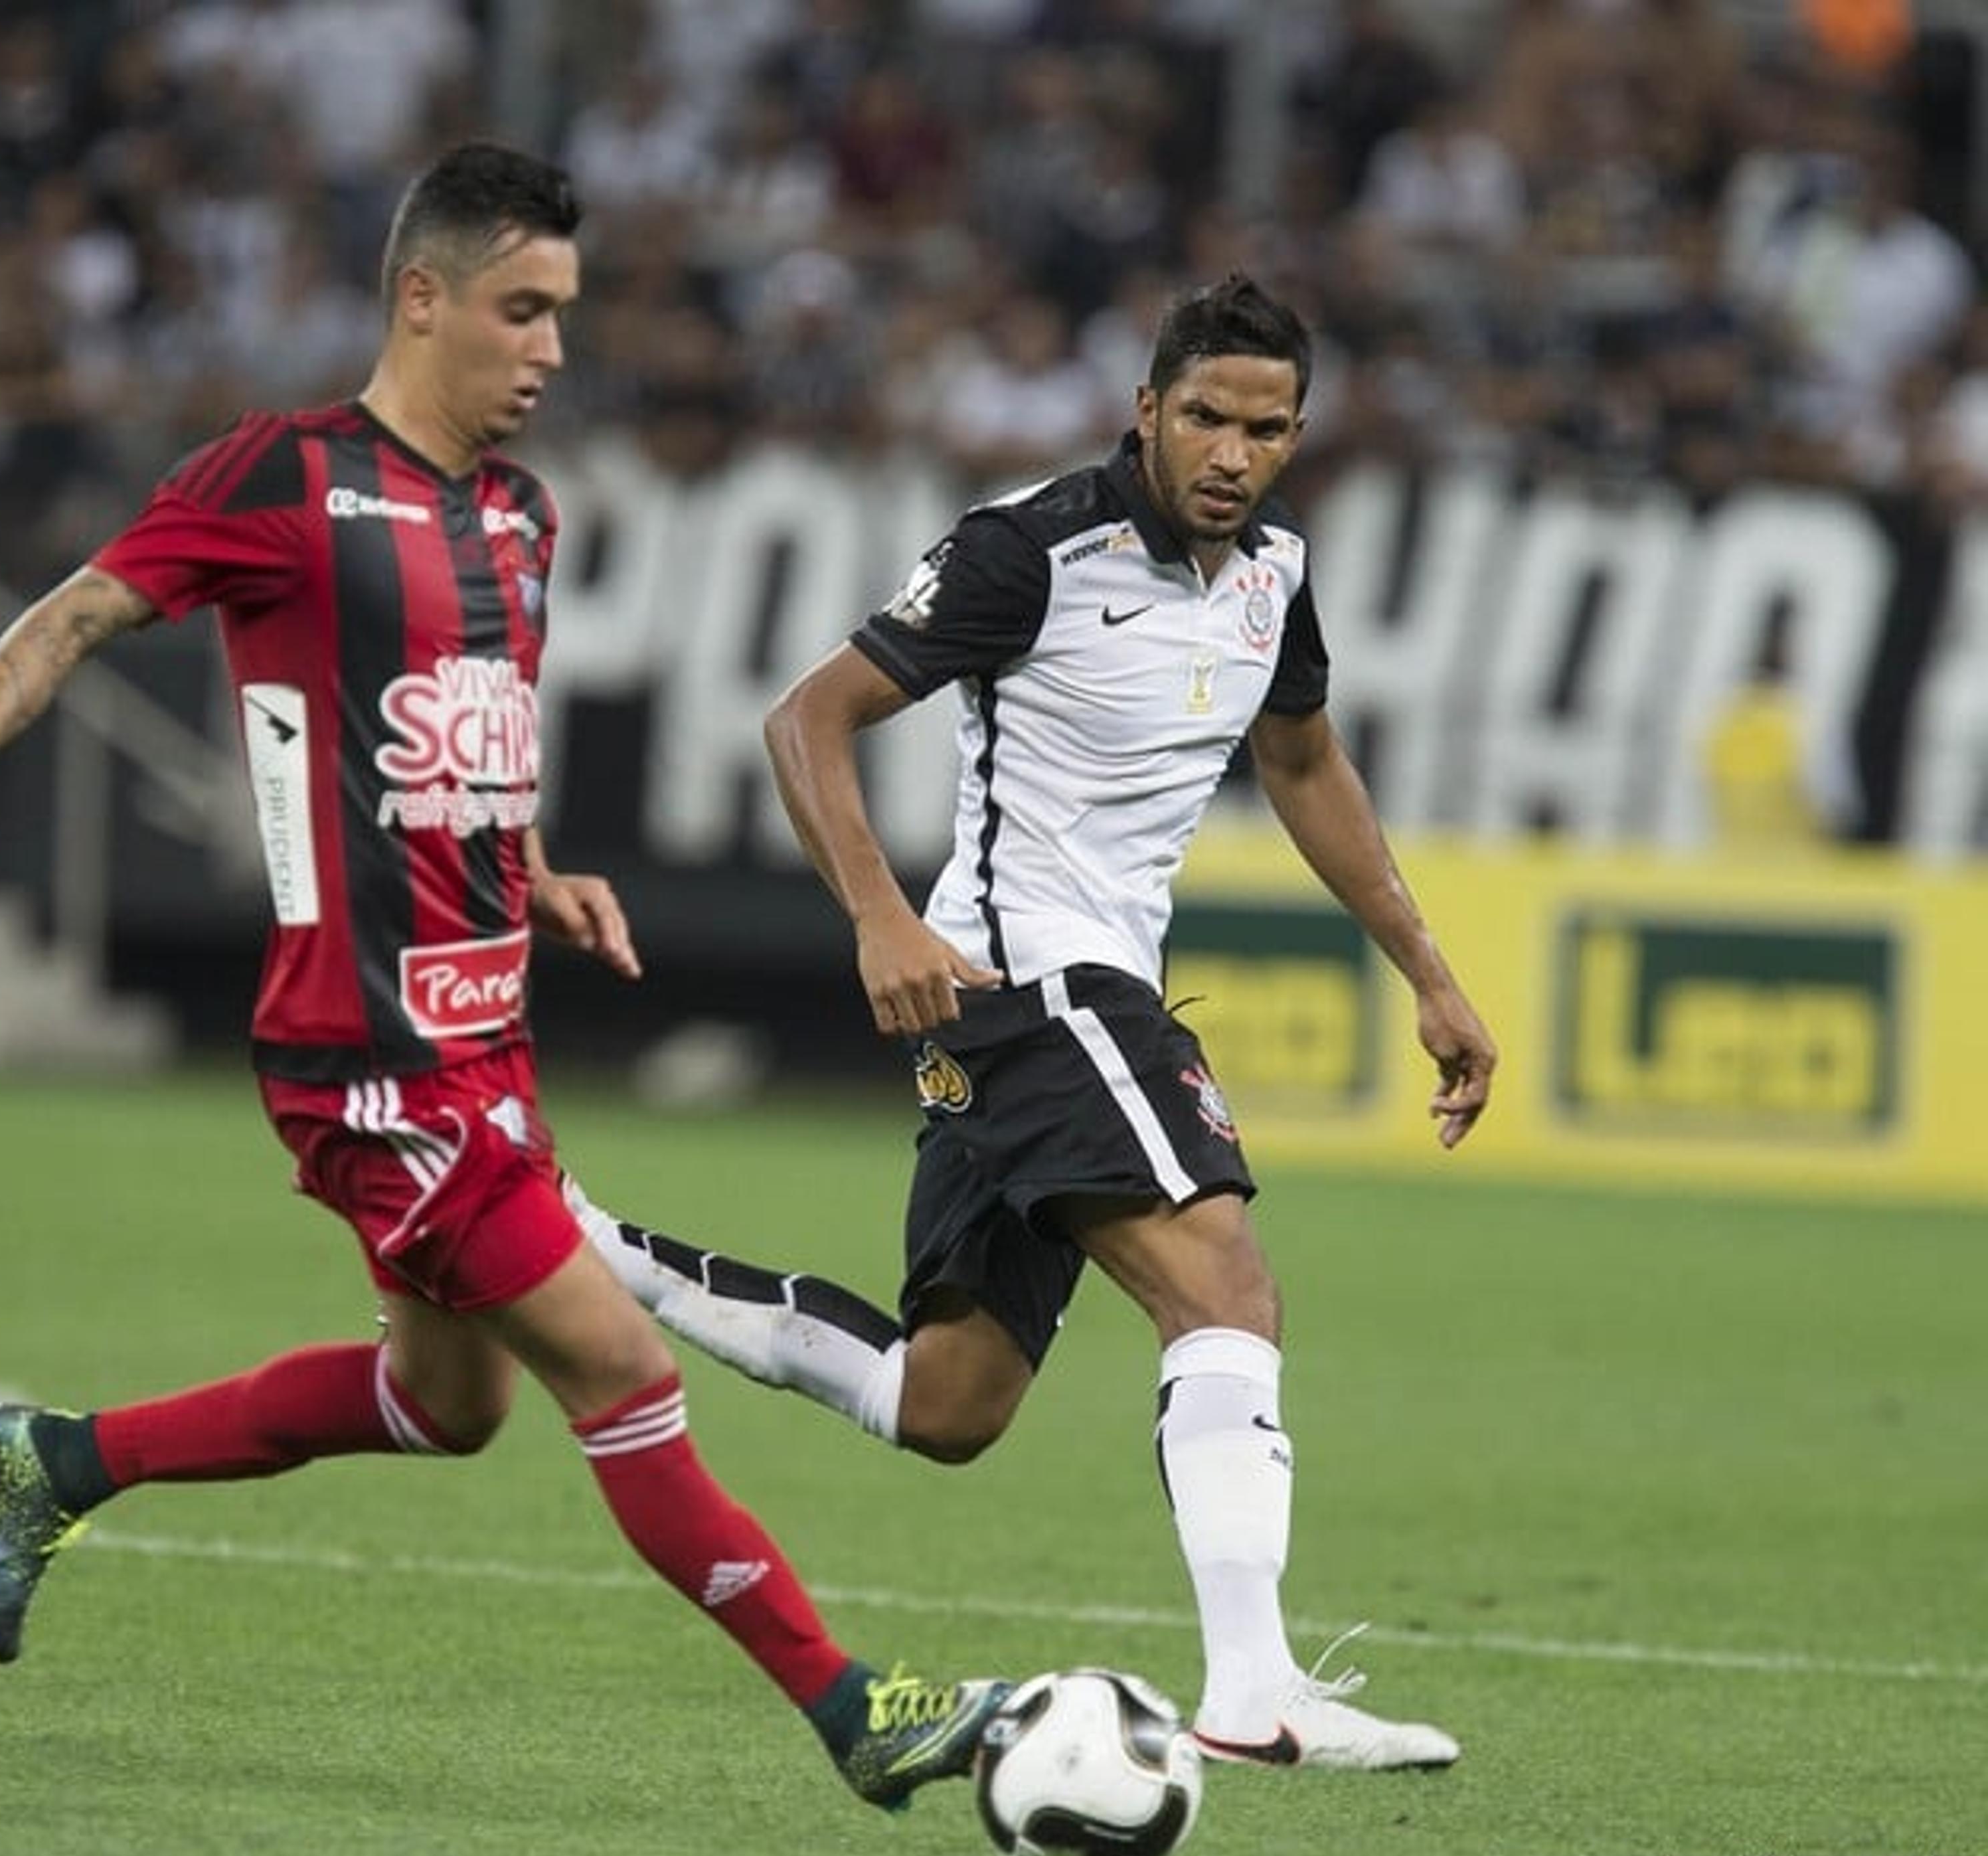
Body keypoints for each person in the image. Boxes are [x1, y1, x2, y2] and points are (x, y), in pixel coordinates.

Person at [0, 142, 1006, 1814]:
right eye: (521, 309)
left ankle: (55, 1461)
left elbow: (473, 738)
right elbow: (74, 615)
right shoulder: (282, 477)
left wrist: (533, 868)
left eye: (565, 314)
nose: (551, 349)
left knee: (443, 1403)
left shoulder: (521, 518)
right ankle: (856, 1711)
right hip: (368, 1053)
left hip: (489, 1041)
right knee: (622, 1370)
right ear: (422, 298)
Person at [572, 274, 1499, 1770]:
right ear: (1146, 410)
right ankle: (1255, 1689)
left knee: (947, 1400)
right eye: (1203, 416)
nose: (1230, 454)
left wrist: (1431, 974)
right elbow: (805, 719)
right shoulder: (1030, 550)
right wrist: (879, 911)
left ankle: (595, 1257)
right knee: (1228, 1293)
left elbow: (1309, 766)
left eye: (1266, 429)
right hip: (1037, 983)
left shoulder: (1273, 574)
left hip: (1041, 1000)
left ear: (1299, 437)